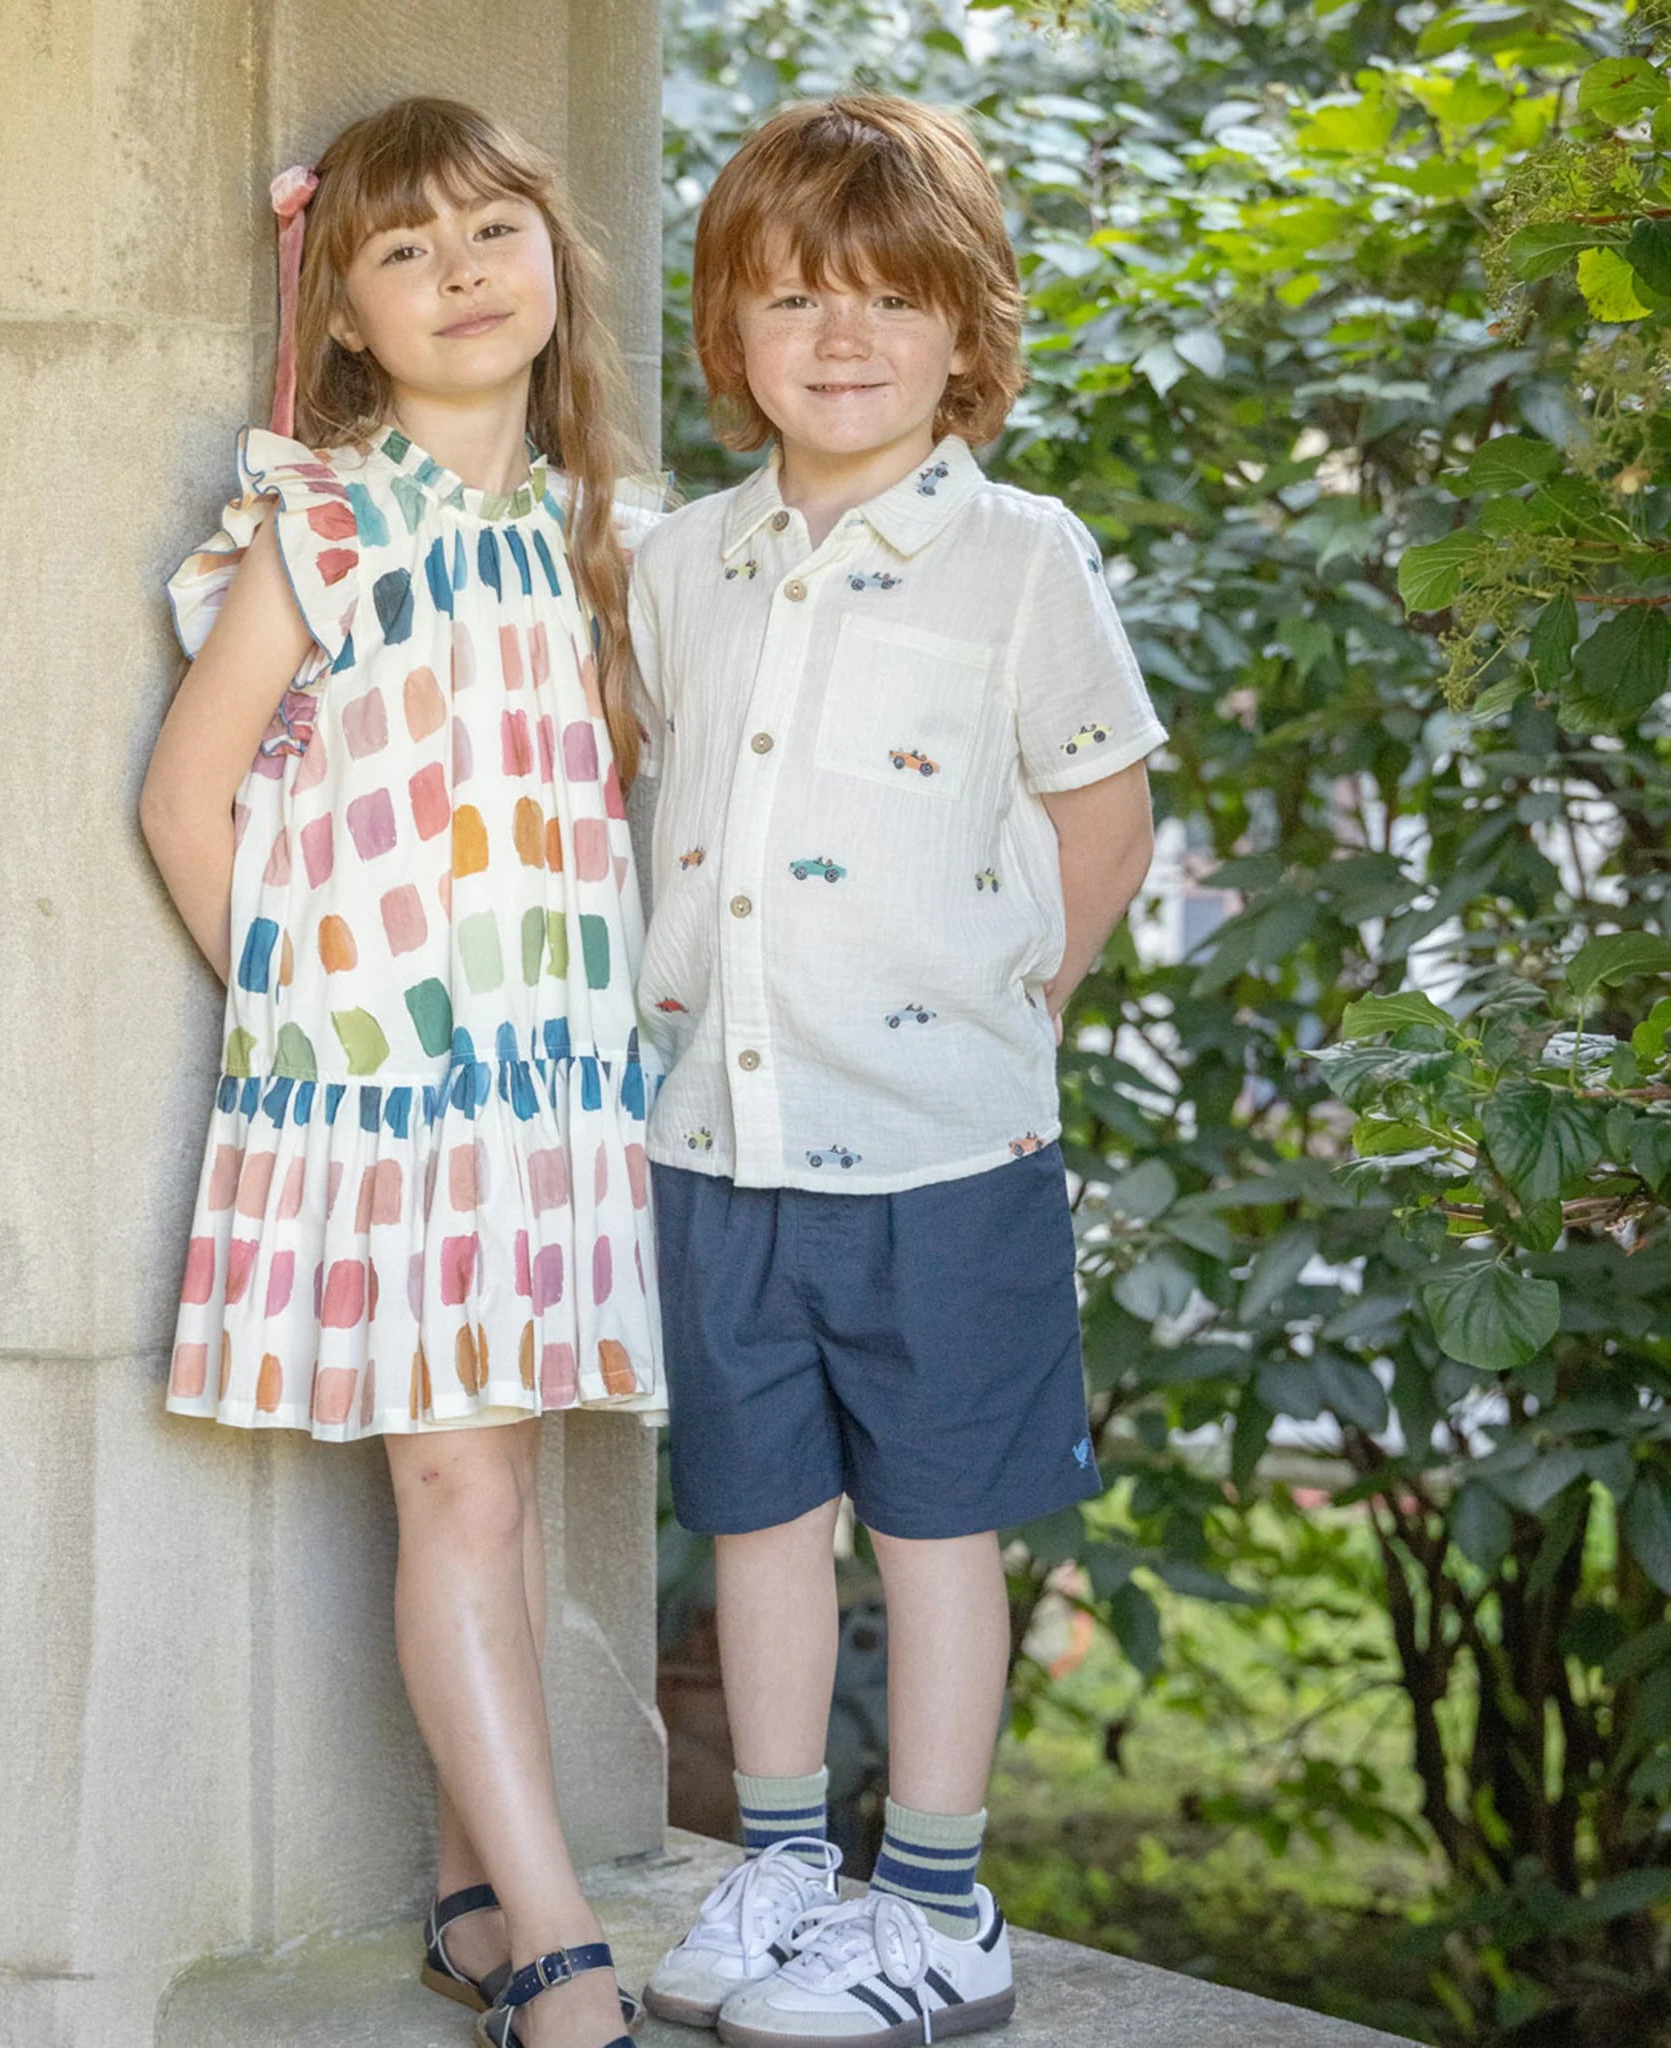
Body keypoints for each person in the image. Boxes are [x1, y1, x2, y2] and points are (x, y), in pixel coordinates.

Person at [630, 95, 1164, 2045]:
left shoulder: (1021, 557)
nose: (837, 339)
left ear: (964, 330)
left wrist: (1009, 1006)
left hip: (941, 1158)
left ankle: (937, 1903)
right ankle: (780, 1864)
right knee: (758, 1515)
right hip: (716, 1134)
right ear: (730, 337)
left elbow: (1098, 819)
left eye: (885, 299)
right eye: (788, 300)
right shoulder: (683, 562)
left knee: (939, 1527)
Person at [140, 97, 662, 2048]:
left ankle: (470, 1897)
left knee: (494, 1494)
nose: (459, 277)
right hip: (387, 1100)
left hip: (539, 1102)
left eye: (490, 232)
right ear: (345, 314)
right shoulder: (326, 517)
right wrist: (316, 1035)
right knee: (458, 1488)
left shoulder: (582, 524)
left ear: (552, 252)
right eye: (404, 251)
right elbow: (188, 800)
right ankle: (561, 1952)